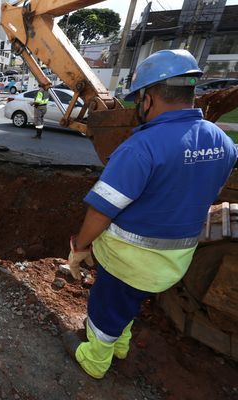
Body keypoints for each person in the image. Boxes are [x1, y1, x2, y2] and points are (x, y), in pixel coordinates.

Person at [62, 49, 237, 380]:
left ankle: (95, 360)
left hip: (128, 261)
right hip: (173, 263)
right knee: (129, 303)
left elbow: (102, 208)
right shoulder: (222, 141)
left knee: (105, 309)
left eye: (137, 99)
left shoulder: (141, 147)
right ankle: (121, 344)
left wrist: (80, 246)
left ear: (148, 96)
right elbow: (208, 189)